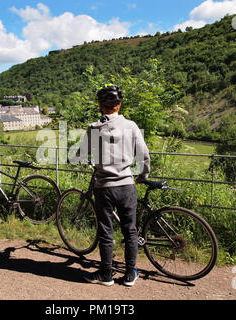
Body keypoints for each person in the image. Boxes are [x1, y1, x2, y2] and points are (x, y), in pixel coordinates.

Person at [76, 84, 150, 287]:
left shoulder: (94, 128)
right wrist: (142, 175)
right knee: (130, 231)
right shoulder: (132, 126)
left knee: (106, 231)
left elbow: (80, 155)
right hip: (127, 185)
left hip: (104, 187)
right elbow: (144, 155)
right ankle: (129, 275)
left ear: (100, 105)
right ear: (119, 104)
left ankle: (106, 275)